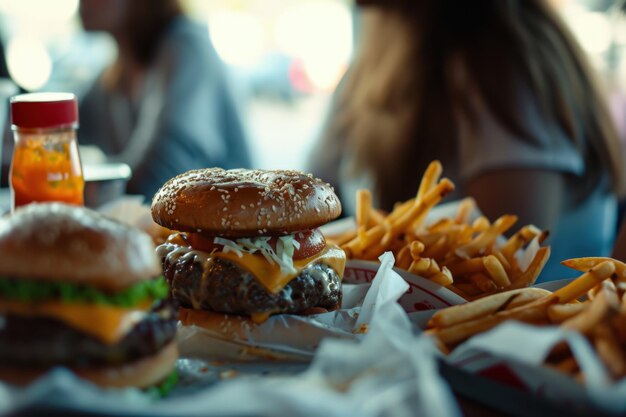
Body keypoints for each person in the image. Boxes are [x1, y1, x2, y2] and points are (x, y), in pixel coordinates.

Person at [309, 0, 626, 281]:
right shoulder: (376, 61)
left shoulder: (504, 65)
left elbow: (506, 269)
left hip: (530, 342)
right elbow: (314, 197)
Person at [78, 0, 252, 199]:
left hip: (230, 222)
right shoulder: (114, 75)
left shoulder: (187, 46)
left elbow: (165, 175)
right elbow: (60, 129)